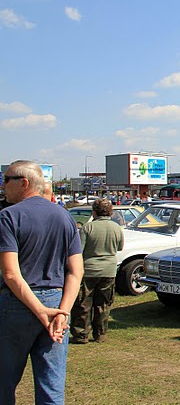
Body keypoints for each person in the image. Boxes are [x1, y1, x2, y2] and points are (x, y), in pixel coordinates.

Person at [0, 160, 84, 404]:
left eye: (6, 180)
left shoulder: (8, 217)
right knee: (51, 385)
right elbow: (76, 271)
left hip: (17, 304)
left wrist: (41, 311)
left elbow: (11, 274)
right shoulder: (64, 216)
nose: (3, 186)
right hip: (56, 302)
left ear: (23, 183)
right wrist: (62, 312)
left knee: (4, 382)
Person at [70, 199, 124, 344]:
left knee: (83, 303)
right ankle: (100, 334)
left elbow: (78, 250)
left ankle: (81, 334)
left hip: (89, 270)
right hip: (109, 270)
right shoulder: (116, 227)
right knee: (103, 304)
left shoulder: (87, 228)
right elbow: (120, 247)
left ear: (94, 212)